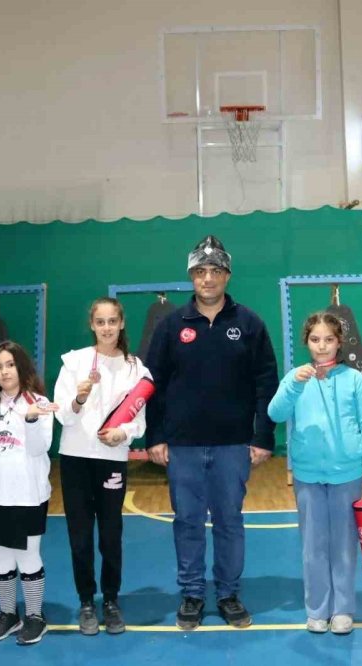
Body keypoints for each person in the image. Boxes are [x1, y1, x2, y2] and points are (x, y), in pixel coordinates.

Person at [145, 235, 279, 630]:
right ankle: (191, 594)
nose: (208, 278)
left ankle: (228, 594)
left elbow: (265, 383)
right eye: (200, 271)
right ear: (191, 276)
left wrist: (263, 436)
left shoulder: (250, 323)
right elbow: (152, 383)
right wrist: (155, 435)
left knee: (229, 521)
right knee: (187, 521)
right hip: (182, 445)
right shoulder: (171, 326)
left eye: (215, 271)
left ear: (227, 275)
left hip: (233, 445)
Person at [267, 312, 362, 634]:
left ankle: (343, 609)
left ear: (339, 342)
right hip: (308, 477)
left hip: (348, 477)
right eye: (315, 339)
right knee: (313, 547)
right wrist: (292, 385)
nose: (322, 346)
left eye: (329, 340)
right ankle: (317, 609)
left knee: (344, 545)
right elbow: (274, 413)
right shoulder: (295, 379)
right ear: (306, 341)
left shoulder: (356, 381)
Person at [54, 297, 152, 636]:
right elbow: (62, 415)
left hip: (111, 460)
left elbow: (139, 420)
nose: (107, 327)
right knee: (80, 537)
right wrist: (79, 398)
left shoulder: (135, 368)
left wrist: (122, 432)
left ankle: (110, 600)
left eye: (113, 321)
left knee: (111, 535)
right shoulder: (74, 362)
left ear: (122, 323)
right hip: (76, 460)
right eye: (100, 322)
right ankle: (85, 602)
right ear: (92, 325)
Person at [0, 341, 59, 645]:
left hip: (27, 495)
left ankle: (35, 617)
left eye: (10, 364)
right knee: (0, 557)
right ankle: (8, 614)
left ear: (21, 366)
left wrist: (30, 418)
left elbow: (39, 448)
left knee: (27, 557)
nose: (4, 371)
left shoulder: (40, 402)